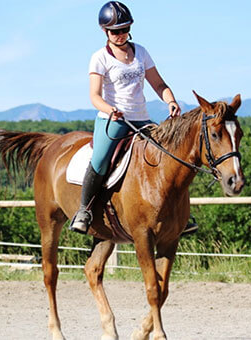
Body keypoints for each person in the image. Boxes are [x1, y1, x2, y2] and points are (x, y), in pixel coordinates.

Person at [70, 1, 197, 235]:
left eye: (124, 29)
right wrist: (110, 110)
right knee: (99, 160)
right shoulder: (99, 58)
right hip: (113, 121)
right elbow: (94, 96)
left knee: (169, 159)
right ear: (105, 32)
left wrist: (170, 100)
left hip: (142, 119)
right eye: (115, 31)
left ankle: (180, 215)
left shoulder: (141, 52)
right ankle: (84, 210)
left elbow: (158, 84)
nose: (120, 35)